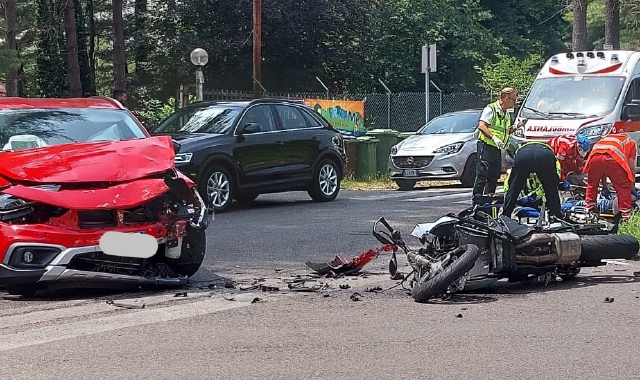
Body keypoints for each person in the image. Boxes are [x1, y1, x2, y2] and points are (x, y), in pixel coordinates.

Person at [472, 87, 518, 203]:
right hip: (486, 146)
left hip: (497, 148)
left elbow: (506, 131)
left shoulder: (506, 113)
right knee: (483, 174)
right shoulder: (491, 109)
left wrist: (517, 126)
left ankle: (488, 200)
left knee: (494, 175)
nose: (515, 102)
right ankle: (476, 200)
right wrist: (494, 138)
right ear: (506, 98)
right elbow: (482, 126)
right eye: (514, 99)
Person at [582, 134, 637, 221]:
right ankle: (626, 216)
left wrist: (604, 186)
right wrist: (632, 186)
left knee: (592, 184)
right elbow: (631, 167)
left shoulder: (606, 138)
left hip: (594, 157)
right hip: (612, 158)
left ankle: (589, 209)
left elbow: (602, 167)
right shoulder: (631, 142)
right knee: (623, 187)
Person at [502, 141, 563, 219]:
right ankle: (556, 216)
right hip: (545, 157)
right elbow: (555, 180)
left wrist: (507, 193)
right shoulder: (550, 154)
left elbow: (510, 182)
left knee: (514, 187)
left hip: (524, 157)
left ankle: (505, 216)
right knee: (551, 189)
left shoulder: (520, 151)